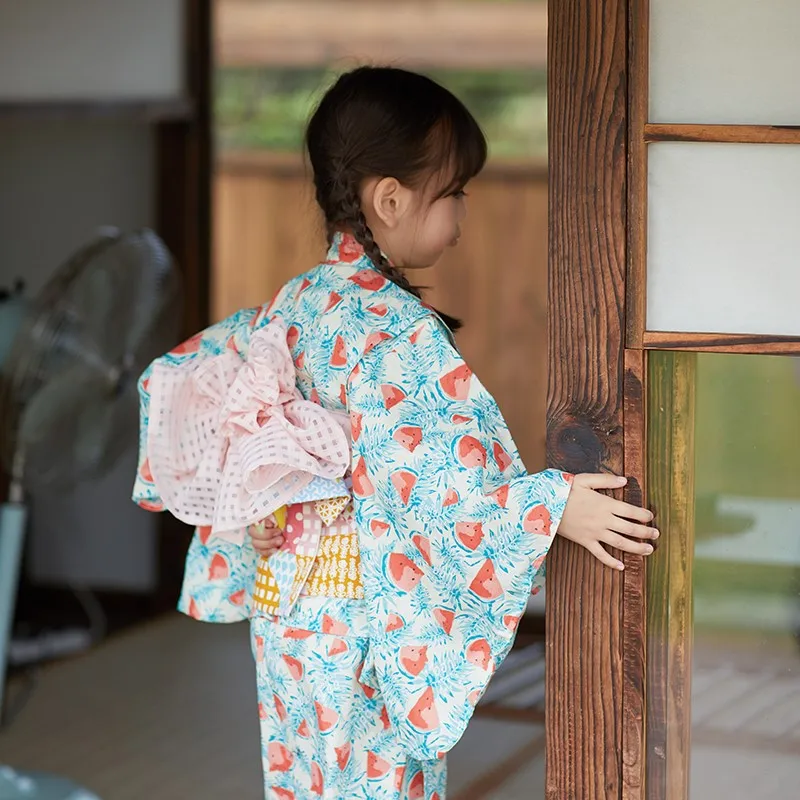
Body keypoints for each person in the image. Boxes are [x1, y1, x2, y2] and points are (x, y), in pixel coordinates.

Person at [133, 66, 658, 800]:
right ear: (390, 198)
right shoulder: (394, 333)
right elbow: (439, 491)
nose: (464, 215)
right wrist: (549, 507)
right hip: (359, 619)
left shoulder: (291, 306)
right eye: (454, 195)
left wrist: (257, 511)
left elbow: (194, 388)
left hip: (288, 616)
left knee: (305, 777)